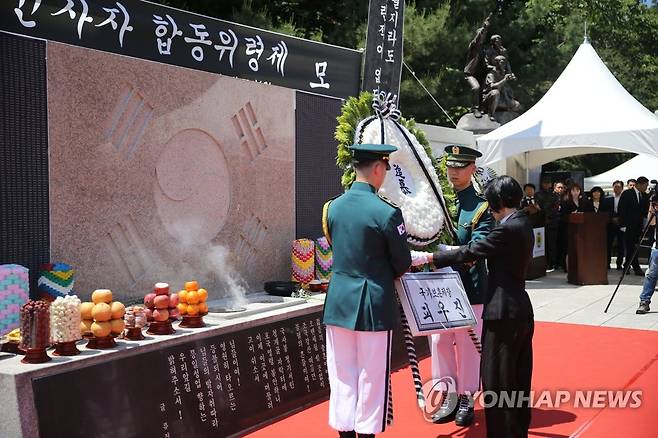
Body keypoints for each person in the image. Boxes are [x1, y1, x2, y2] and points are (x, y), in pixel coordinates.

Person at [413, 176, 535, 438]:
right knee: (518, 377)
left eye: (491, 203)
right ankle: (517, 430)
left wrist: (428, 256)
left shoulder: (505, 230)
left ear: (499, 202)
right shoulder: (522, 222)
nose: (488, 209)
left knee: (498, 381)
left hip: (503, 313)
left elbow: (472, 251)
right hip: (520, 309)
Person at [321, 143, 412, 438]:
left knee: (342, 373)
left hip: (338, 303)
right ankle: (366, 433)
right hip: (373, 303)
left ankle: (345, 432)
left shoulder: (332, 207)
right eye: (384, 169)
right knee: (371, 375)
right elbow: (401, 263)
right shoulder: (386, 213)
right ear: (377, 168)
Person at [430, 145, 493, 426]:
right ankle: (448, 394)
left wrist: (438, 254)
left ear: (473, 169)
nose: (454, 172)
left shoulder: (481, 206)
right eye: (450, 166)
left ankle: (467, 395)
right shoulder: (436, 201)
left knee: (468, 343)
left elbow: (477, 249)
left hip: (470, 286)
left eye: (460, 166)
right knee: (440, 340)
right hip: (437, 287)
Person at [618, 176, 649, 276]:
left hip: (638, 226)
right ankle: (633, 267)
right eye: (645, 185)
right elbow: (621, 209)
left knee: (635, 247)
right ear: (639, 184)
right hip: (628, 225)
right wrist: (623, 225)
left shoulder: (644, 195)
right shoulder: (627, 193)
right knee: (630, 246)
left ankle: (628, 265)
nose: (646, 187)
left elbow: (645, 211)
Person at [557, 182, 589, 271]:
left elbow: (589, 214)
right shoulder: (565, 201)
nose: (575, 192)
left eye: (577, 190)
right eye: (573, 190)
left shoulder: (584, 201)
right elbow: (563, 216)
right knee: (568, 248)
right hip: (568, 228)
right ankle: (567, 266)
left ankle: (580, 266)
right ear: (570, 191)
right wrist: (571, 215)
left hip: (581, 229)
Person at [463, 14, 491, 118]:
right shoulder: (473, 46)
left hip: (481, 74)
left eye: (484, 36)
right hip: (470, 74)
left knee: (486, 89)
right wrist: (484, 28)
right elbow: (477, 39)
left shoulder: (484, 49)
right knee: (476, 88)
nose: (483, 37)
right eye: (481, 35)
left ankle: (484, 108)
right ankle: (475, 108)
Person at [482, 55, 521, 121]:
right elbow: (492, 86)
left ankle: (507, 114)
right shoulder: (491, 74)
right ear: (496, 63)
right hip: (490, 100)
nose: (504, 65)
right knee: (495, 93)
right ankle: (490, 114)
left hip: (503, 99)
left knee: (517, 105)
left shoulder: (504, 74)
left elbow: (509, 89)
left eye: (504, 63)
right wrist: (504, 80)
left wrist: (513, 80)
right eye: (502, 63)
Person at [637, 196, 658, 314]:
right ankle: (644, 301)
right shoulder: (655, 208)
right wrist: (651, 205)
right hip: (657, 247)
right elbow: (651, 223)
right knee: (651, 275)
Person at [536, 179, 563, 270]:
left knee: (552, 244)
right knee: (542, 244)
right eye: (545, 183)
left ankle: (552, 263)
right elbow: (537, 207)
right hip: (540, 223)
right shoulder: (538, 194)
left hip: (552, 223)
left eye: (548, 183)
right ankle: (544, 262)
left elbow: (555, 208)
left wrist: (547, 216)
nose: (546, 185)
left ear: (551, 184)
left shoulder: (555, 195)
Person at [601, 180, 625, 269]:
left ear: (622, 188)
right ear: (613, 187)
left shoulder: (625, 198)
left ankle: (619, 264)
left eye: (619, 187)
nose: (617, 189)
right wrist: (611, 218)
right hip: (610, 224)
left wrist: (620, 218)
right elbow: (604, 211)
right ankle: (607, 263)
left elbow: (626, 211)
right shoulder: (608, 199)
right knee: (608, 244)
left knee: (621, 244)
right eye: (615, 187)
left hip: (621, 223)